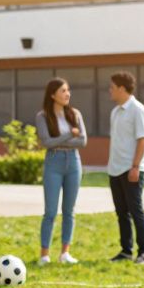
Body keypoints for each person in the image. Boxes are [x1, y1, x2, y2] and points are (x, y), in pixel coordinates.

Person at [35, 78, 86, 265]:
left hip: (73, 162)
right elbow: (46, 143)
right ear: (52, 94)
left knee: (69, 210)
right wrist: (68, 135)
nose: (68, 94)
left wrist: (61, 139)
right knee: (50, 211)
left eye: (68, 90)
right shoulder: (42, 117)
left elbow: (83, 141)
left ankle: (65, 253)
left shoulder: (75, 114)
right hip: (53, 163)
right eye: (63, 90)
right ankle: (44, 255)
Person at [106, 71, 144, 265]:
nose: (110, 91)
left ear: (122, 89)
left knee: (135, 210)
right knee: (121, 212)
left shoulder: (138, 110)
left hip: (132, 169)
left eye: (112, 88)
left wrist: (135, 166)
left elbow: (143, 140)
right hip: (115, 169)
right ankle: (126, 250)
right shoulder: (115, 112)